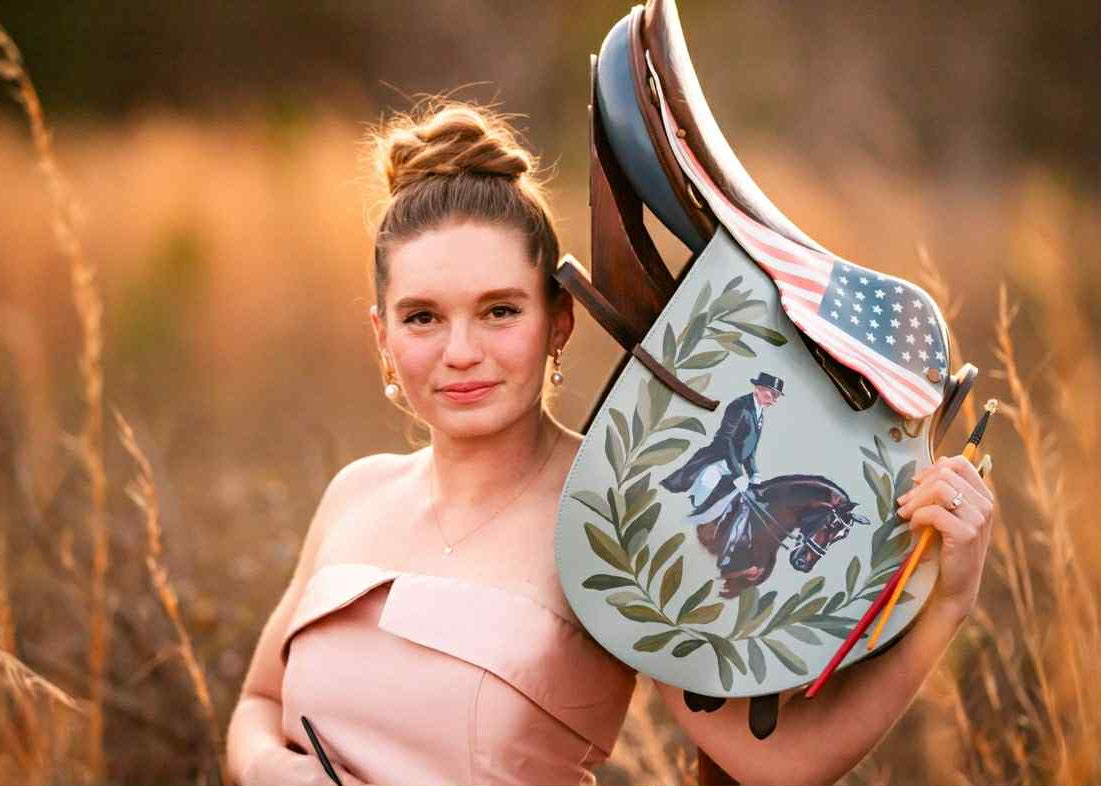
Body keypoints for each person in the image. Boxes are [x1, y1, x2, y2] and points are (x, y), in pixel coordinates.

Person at [224, 98, 998, 786]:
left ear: (558, 319)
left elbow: (776, 764)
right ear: (382, 335)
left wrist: (945, 607)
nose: (460, 351)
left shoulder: (622, 511)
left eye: (499, 311)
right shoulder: (355, 494)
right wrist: (264, 768)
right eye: (422, 317)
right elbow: (259, 702)